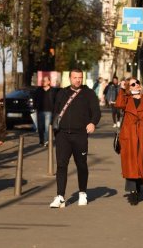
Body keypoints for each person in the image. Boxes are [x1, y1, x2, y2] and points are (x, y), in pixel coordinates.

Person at [49, 68, 101, 208]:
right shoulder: (62, 93)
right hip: (63, 135)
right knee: (61, 165)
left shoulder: (88, 94)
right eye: (75, 77)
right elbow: (56, 111)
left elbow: (96, 112)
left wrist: (92, 123)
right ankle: (60, 196)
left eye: (80, 77)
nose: (78, 80)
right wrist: (56, 131)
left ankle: (82, 193)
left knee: (81, 165)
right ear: (70, 78)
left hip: (80, 135)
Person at [115, 77, 143, 205]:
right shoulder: (126, 99)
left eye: (137, 83)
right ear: (129, 87)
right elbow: (118, 104)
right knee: (130, 163)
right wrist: (122, 89)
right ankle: (132, 191)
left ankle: (139, 184)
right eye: (132, 84)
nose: (136, 85)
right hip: (128, 135)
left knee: (141, 161)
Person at [34, 76, 57, 147]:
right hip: (40, 111)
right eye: (43, 80)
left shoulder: (53, 91)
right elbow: (35, 99)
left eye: (45, 80)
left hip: (49, 112)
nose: (43, 82)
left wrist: (55, 110)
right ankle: (41, 141)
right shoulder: (38, 90)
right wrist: (35, 107)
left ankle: (46, 141)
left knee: (47, 127)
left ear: (49, 82)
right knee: (40, 127)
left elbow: (55, 101)